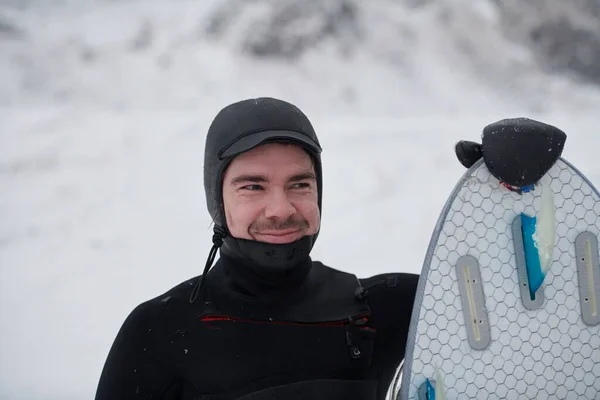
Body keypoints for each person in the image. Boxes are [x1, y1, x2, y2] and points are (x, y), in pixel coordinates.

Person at [94, 97, 420, 400]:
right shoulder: (160, 332)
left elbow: (469, 288)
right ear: (217, 201)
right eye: (253, 186)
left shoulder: (391, 310)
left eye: (299, 184)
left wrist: (474, 194)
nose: (281, 209)